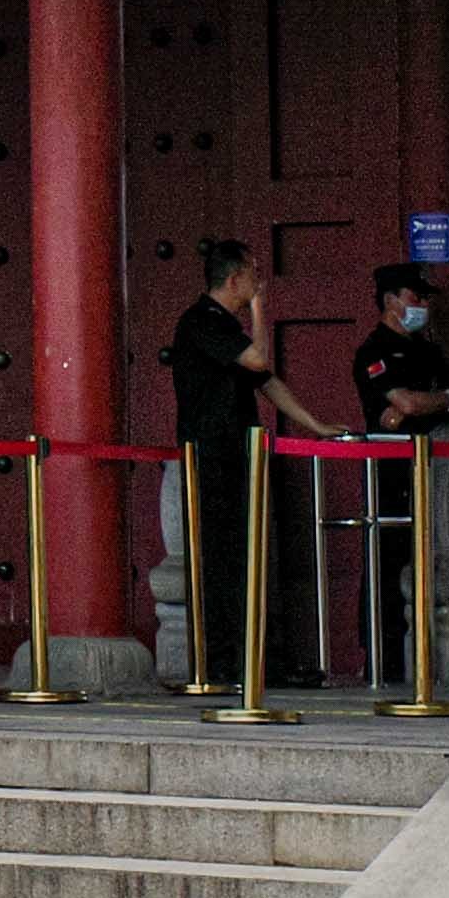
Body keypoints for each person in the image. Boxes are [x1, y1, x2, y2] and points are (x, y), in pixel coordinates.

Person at [165, 239, 333, 691]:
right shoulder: (202, 322)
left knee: (252, 556)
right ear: (234, 278)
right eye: (253, 275)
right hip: (211, 456)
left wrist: (312, 422)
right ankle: (223, 661)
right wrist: (260, 312)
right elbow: (258, 358)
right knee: (221, 561)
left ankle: (258, 657)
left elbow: (265, 380)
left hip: (241, 455)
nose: (259, 282)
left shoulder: (226, 328)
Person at [351, 263, 449, 430]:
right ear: (390, 301)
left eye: (426, 298)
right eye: (416, 297)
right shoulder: (374, 351)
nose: (425, 305)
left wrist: (439, 401)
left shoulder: (428, 350)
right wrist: (448, 400)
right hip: (400, 450)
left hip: (442, 441)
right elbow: (407, 405)